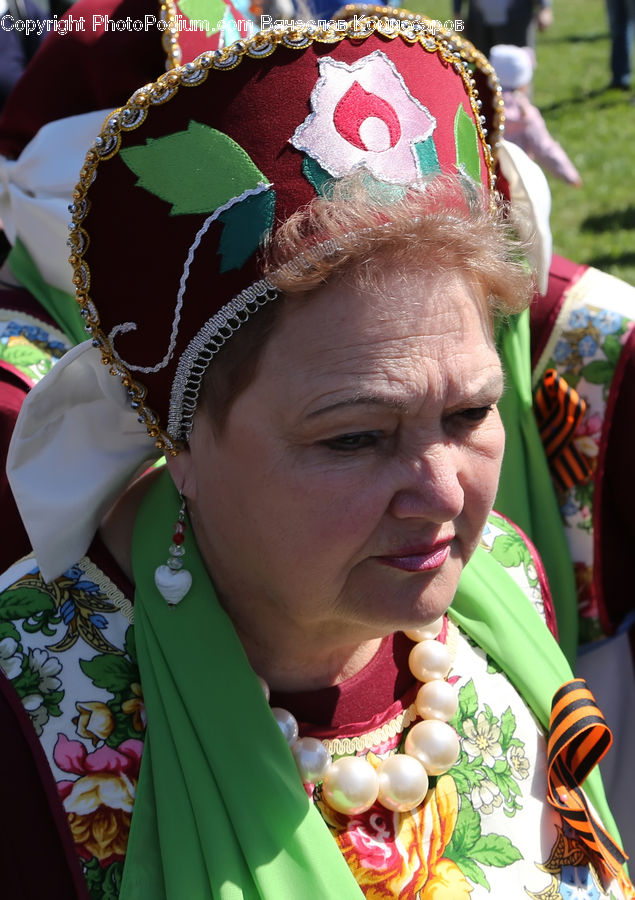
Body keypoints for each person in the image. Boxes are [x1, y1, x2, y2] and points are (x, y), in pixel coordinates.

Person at [1, 18, 633, 900]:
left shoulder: (503, 584)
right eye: (354, 436)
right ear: (178, 443)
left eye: (469, 411)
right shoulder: (35, 717)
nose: (442, 493)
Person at [489, 43, 582, 186]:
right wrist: (570, 175)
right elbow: (545, 148)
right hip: (520, 182)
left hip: (488, 178)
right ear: (523, 83)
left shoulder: (484, 104)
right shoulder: (525, 115)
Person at [452, 0, 553, 57]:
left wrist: (545, 7)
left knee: (517, 68)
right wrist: (457, 18)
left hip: (516, 23)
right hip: (479, 24)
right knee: (480, 70)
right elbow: (457, 13)